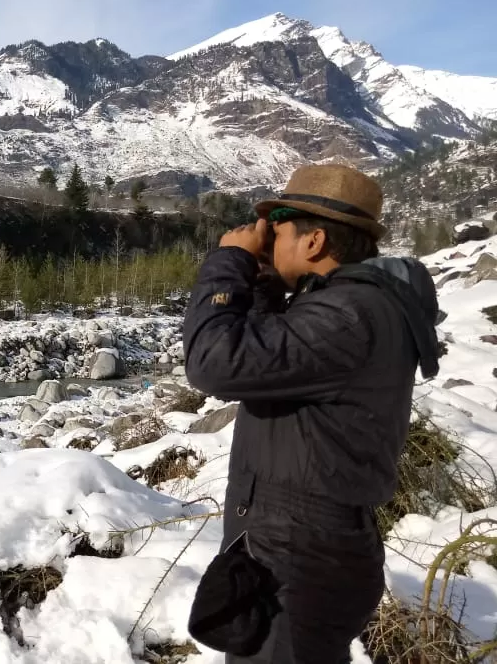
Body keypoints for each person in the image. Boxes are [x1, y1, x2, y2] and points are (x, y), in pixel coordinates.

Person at [182, 164, 440, 664]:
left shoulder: (348, 315)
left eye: (275, 231)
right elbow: (267, 362)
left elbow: (214, 363)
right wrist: (260, 282)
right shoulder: (351, 306)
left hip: (297, 560)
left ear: (314, 240)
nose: (266, 241)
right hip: (301, 547)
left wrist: (228, 262)